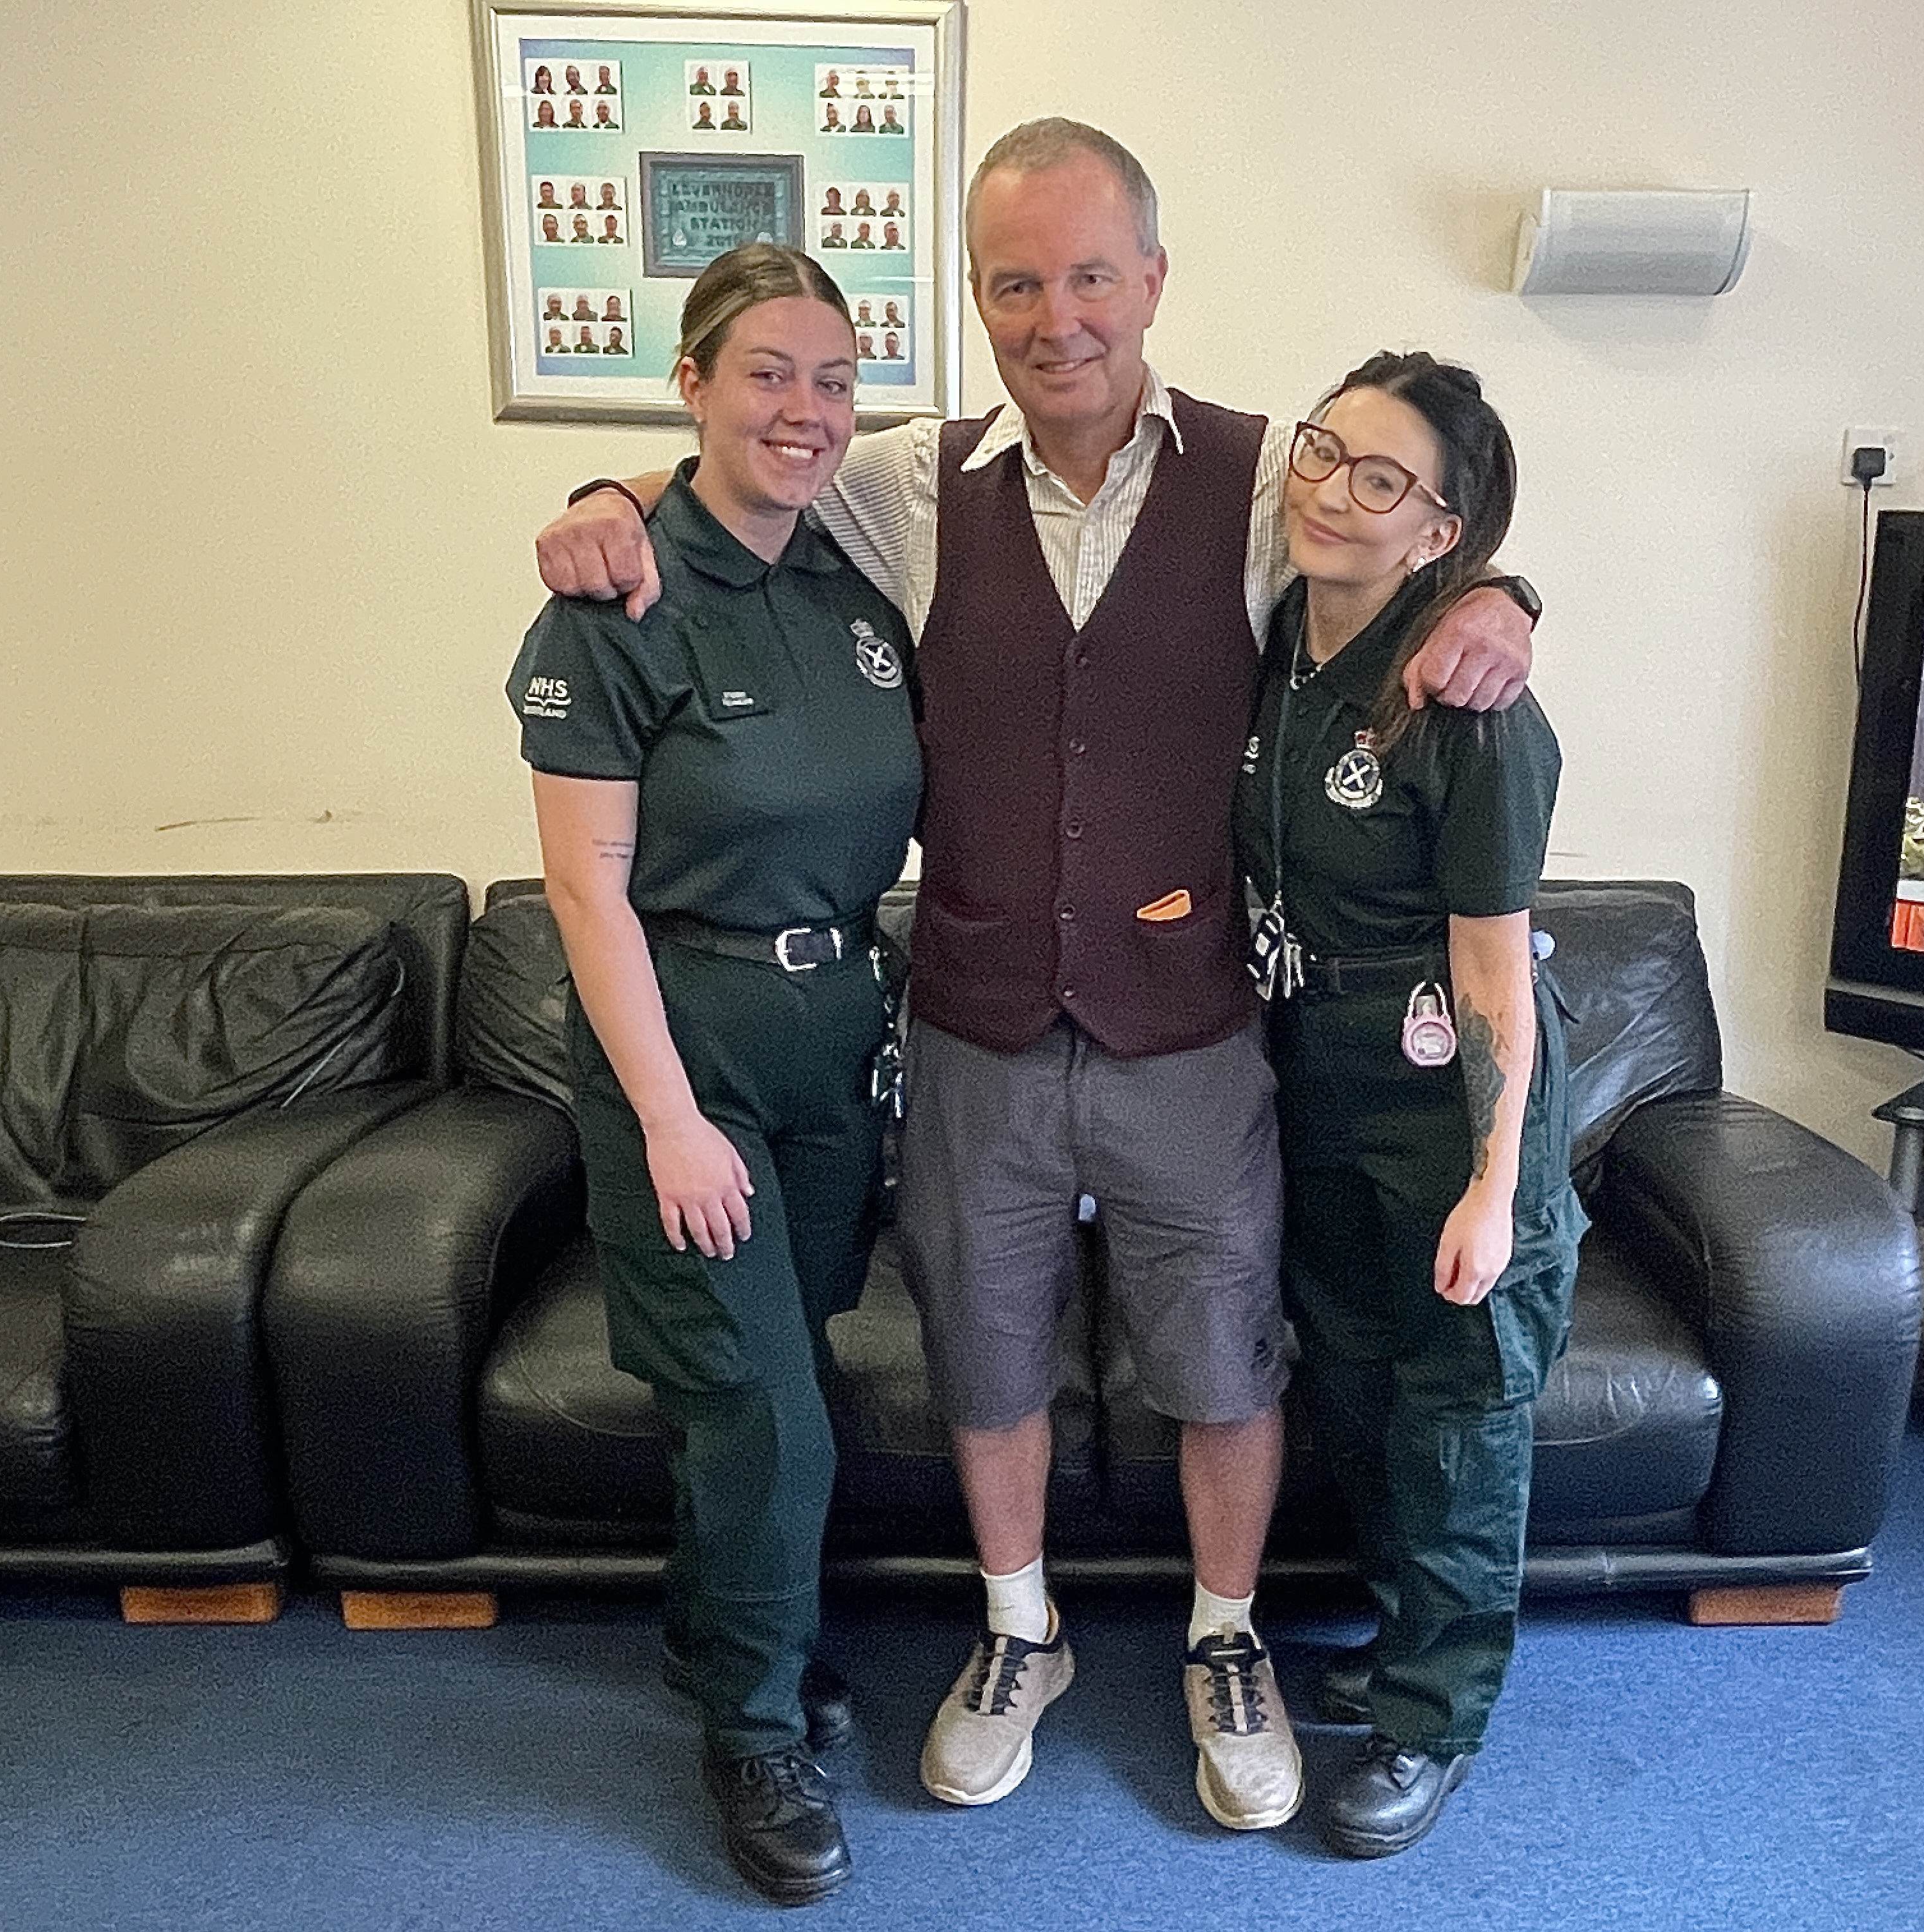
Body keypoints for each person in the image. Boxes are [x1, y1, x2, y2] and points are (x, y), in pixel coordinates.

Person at [530, 116, 1535, 1836]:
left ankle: (1227, 1639)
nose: (1055, 315)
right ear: (977, 301)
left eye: (1089, 275)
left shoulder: (1262, 479)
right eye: (1015, 283)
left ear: (1150, 280)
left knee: (1224, 1359)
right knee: (989, 1359)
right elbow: (729, 456)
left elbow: (1408, 532)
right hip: (976, 1023)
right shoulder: (901, 479)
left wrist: (1508, 593)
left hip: (1192, 1030)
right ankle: (1021, 1629)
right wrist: (599, 494)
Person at [507, 243, 919, 1905]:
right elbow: (581, 887)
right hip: (683, 1046)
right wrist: (671, 1120)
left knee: (773, 1369)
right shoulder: (611, 596)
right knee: (763, 1407)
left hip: (837, 1041)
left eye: (834, 377)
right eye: (767, 372)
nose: (805, 409)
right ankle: (754, 1730)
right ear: (691, 383)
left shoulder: (864, 578)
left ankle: (708, 1630)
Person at [1233, 354, 1578, 1857]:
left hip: (1448, 1096)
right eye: (1325, 450)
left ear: (1441, 534)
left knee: (1455, 1416)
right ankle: (1401, 1646)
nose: (1330, 488)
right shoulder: (1275, 650)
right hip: (1311, 1079)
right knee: (1362, 1393)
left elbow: (1497, 977)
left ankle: (1434, 1719)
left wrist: (1495, 1186)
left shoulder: (1473, 708)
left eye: (1382, 479)